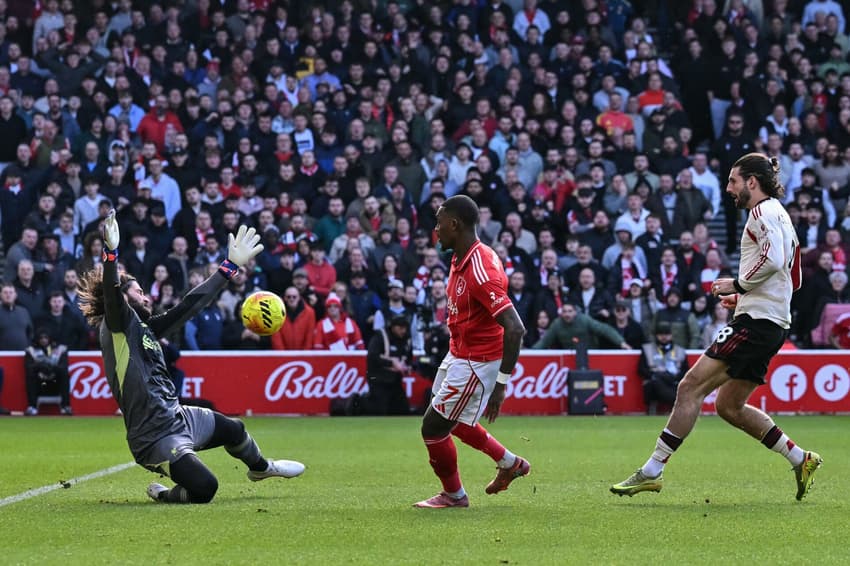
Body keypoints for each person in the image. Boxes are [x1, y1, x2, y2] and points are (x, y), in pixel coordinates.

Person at [611, 153, 822, 501]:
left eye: (733, 181)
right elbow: (793, 276)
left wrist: (738, 286)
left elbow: (774, 259)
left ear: (752, 182)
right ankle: (802, 459)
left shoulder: (760, 211)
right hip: (770, 321)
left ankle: (652, 470)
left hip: (756, 323)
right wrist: (748, 299)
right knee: (729, 406)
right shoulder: (782, 214)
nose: (729, 189)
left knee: (689, 386)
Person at [77, 211, 305, 504]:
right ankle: (165, 496)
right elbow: (111, 291)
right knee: (205, 488)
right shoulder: (117, 323)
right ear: (122, 297)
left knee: (234, 428)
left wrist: (229, 266)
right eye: (140, 292)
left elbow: (189, 306)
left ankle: (262, 468)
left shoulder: (144, 326)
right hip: (154, 437)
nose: (147, 297)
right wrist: (111, 255)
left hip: (178, 417)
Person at [414, 195, 529, 509]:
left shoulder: (480, 271)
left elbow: (516, 329)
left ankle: (454, 496)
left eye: (439, 224)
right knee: (454, 421)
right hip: (458, 353)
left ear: (455, 224)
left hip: (477, 362)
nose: (435, 231)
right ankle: (509, 463)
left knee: (433, 427)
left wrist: (501, 384)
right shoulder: (461, 255)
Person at [365, 315, 413, 416]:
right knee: (380, 410)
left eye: (405, 328)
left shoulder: (407, 340)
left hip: (395, 382)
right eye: (400, 328)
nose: (403, 331)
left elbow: (409, 359)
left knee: (403, 411)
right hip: (379, 380)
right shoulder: (380, 336)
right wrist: (392, 363)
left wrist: (408, 367)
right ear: (393, 327)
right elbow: (372, 356)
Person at [638, 321, 688, 416]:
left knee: (681, 384)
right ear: (656, 335)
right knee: (654, 382)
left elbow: (686, 370)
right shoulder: (647, 348)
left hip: (673, 381)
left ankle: (674, 402)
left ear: (671, 335)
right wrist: (654, 375)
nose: (664, 337)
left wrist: (675, 377)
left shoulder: (680, 350)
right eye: (661, 334)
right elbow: (641, 369)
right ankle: (673, 401)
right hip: (655, 381)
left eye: (667, 334)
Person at [24, 328, 72, 415]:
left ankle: (66, 406)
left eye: (46, 337)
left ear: (50, 338)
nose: (43, 340)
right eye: (41, 338)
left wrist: (52, 368)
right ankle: (32, 407)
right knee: (30, 375)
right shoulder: (31, 350)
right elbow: (29, 367)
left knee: (64, 374)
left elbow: (64, 366)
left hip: (55, 382)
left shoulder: (60, 349)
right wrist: (41, 366)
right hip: (39, 383)